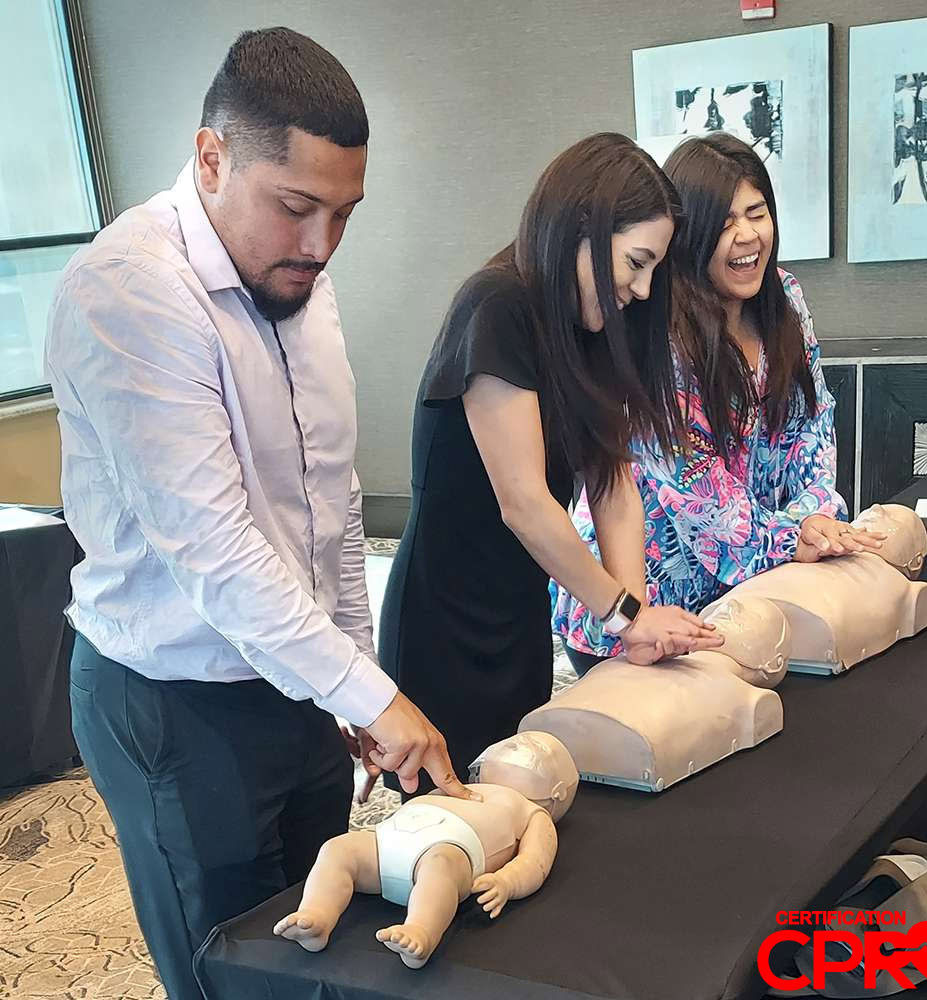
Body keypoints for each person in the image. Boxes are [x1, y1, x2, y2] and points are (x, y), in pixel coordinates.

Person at [45, 28, 467, 1000]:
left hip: (294, 676)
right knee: (227, 968)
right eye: (296, 207)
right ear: (211, 158)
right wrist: (373, 699)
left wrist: (355, 681)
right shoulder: (130, 293)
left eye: (343, 213)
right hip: (175, 701)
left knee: (315, 946)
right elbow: (217, 551)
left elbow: (330, 505)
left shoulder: (296, 279)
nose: (321, 244)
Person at [377, 133, 723, 799]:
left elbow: (613, 481)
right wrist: (620, 614)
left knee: (528, 802)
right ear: (584, 229)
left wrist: (635, 618)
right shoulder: (497, 307)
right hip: (444, 622)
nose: (643, 289)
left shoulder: (588, 328)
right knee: (454, 827)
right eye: (636, 263)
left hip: (518, 611)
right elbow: (524, 503)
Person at [553, 132, 884, 675]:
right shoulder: (655, 331)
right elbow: (694, 481)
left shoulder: (786, 297)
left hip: (755, 581)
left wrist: (815, 515)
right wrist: (789, 537)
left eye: (757, 213)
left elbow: (813, 424)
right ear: (689, 236)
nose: (748, 235)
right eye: (726, 222)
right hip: (648, 604)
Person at [274, 731, 578, 969]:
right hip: (388, 839)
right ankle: (316, 915)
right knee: (338, 849)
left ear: (557, 791)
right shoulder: (462, 785)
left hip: (451, 848)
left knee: (439, 870)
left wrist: (507, 882)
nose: (516, 750)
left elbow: (536, 861)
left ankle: (421, 931)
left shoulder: (533, 812)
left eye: (534, 751)